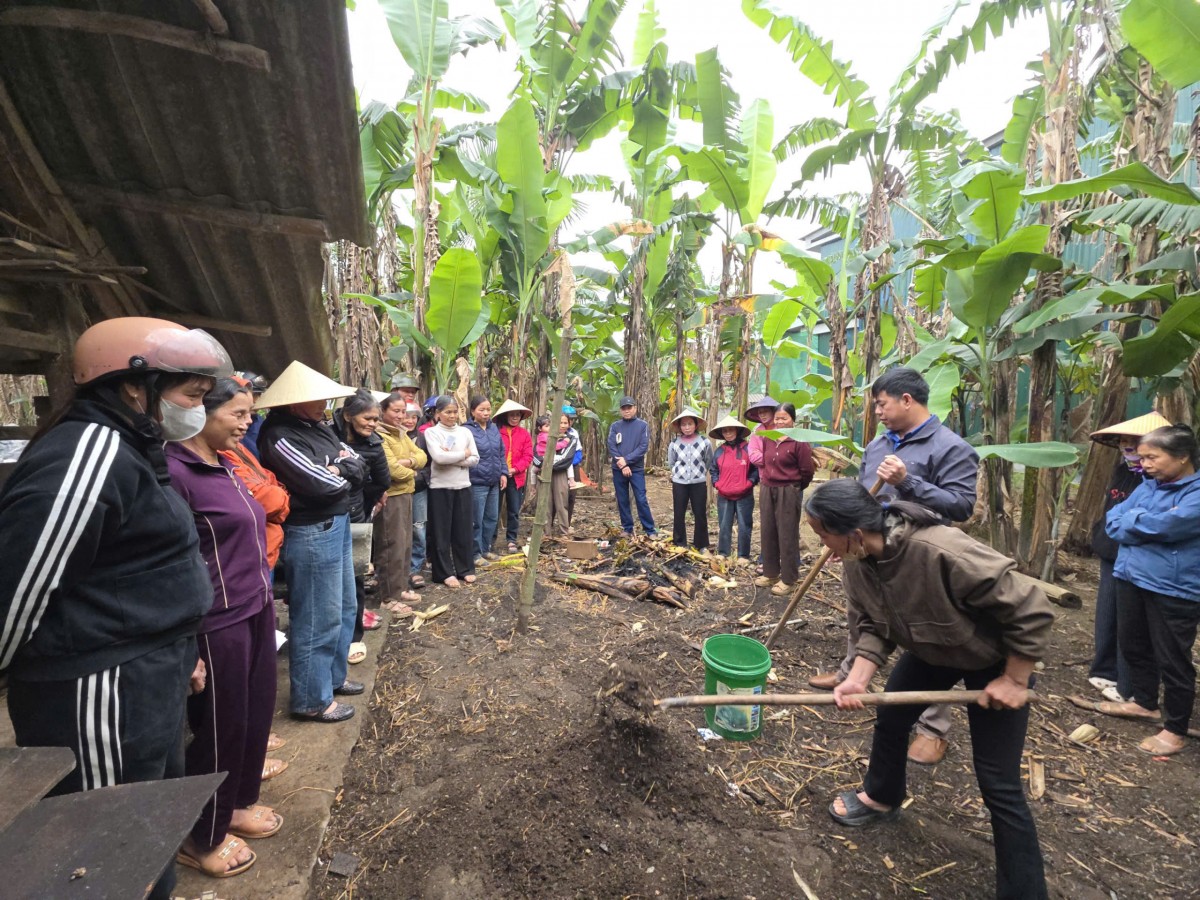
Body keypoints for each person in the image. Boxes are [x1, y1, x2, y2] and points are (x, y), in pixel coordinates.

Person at [0, 317, 237, 895]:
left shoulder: (138, 447)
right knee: (104, 848)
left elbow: (147, 568)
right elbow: (19, 590)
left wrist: (182, 652)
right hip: (98, 689)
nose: (196, 410)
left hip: (146, 674)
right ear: (136, 387)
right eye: (190, 396)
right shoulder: (88, 453)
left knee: (147, 831)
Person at [807, 479, 1053, 900]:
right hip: (931, 648)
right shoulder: (856, 559)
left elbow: (1031, 606)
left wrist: (1014, 678)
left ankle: (1025, 891)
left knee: (999, 781)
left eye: (822, 535)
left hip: (992, 657)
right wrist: (859, 678)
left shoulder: (941, 551)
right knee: (891, 716)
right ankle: (883, 796)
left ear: (853, 533)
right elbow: (874, 624)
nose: (822, 547)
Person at [809, 367, 979, 767]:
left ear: (907, 399)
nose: (878, 412)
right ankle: (851, 674)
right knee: (861, 616)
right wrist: (840, 536)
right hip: (863, 550)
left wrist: (908, 482)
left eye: (882, 404)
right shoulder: (877, 444)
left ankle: (932, 726)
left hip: (916, 561)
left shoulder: (951, 448)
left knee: (928, 639)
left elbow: (961, 506)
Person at [166, 378, 283, 878]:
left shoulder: (226, 463)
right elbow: (172, 561)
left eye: (249, 413)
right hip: (217, 619)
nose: (247, 423)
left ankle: (234, 803)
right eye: (236, 413)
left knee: (255, 712)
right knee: (220, 724)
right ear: (201, 412)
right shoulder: (175, 472)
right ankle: (201, 834)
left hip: (255, 604)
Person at [256, 361, 364, 724]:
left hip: (337, 521)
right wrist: (339, 469)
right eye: (315, 398)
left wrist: (339, 466)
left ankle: (331, 680)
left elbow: (357, 465)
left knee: (344, 607)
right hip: (313, 530)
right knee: (318, 615)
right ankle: (311, 698)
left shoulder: (318, 427)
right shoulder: (279, 435)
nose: (324, 404)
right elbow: (323, 484)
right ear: (293, 401)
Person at [1102, 424, 1200, 756]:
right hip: (1131, 577)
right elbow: (1113, 520)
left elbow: (1172, 526)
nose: (1144, 464)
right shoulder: (1149, 487)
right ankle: (1145, 702)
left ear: (1183, 456)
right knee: (1133, 644)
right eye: (1142, 457)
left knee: (1172, 657)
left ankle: (1175, 728)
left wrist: (1137, 521)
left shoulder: (1196, 493)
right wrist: (1142, 521)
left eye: (1152, 457)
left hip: (1172, 588)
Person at [1085, 412, 1170, 702]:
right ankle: (1104, 670)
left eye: (1134, 444)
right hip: (1111, 550)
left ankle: (1129, 683)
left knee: (1132, 622)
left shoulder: (1161, 480)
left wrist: (1125, 524)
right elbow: (1114, 511)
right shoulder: (1124, 470)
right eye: (1123, 443)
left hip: (1139, 556)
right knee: (1107, 613)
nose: (1128, 449)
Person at [332, 390, 392, 662]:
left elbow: (382, 482)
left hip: (356, 515)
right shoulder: (327, 435)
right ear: (348, 415)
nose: (372, 424)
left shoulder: (375, 444)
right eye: (367, 418)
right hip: (326, 515)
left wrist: (364, 503)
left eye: (376, 419)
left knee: (355, 577)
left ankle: (354, 636)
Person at [754, 403, 814, 596]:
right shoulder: (769, 438)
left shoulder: (799, 441)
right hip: (767, 488)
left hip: (788, 490)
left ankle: (789, 579)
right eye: (777, 418)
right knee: (768, 530)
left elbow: (807, 470)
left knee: (787, 533)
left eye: (784, 418)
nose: (780, 422)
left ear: (792, 420)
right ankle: (771, 573)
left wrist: (795, 488)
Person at [377, 395, 427, 615]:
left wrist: (408, 464)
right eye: (395, 411)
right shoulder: (380, 434)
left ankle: (400, 588)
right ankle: (388, 598)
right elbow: (391, 470)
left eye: (403, 412)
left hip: (406, 492)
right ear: (382, 410)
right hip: (391, 496)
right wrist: (412, 471)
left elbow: (422, 456)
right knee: (391, 546)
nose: (400, 416)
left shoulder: (400, 433)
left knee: (405, 544)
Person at [424, 396, 480, 587]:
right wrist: (462, 456)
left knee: (463, 530)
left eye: (455, 411)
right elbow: (438, 458)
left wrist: (453, 459)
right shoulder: (431, 433)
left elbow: (475, 458)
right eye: (447, 412)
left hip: (463, 486)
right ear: (437, 413)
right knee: (441, 532)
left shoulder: (465, 432)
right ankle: (443, 573)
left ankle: (465, 569)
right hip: (440, 487)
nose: (452, 415)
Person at [709, 414, 758, 564]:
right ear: (722, 434)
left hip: (745, 494)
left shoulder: (749, 448)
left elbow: (756, 469)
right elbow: (713, 470)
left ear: (737, 430)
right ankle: (724, 552)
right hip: (724, 495)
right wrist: (717, 484)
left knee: (744, 524)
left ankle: (743, 556)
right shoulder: (719, 451)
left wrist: (749, 482)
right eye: (725, 431)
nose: (728, 433)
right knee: (724, 524)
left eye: (731, 430)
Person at [607, 396, 657, 537]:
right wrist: (622, 465)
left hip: (636, 468)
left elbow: (643, 447)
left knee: (641, 498)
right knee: (622, 499)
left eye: (629, 408)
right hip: (618, 468)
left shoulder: (642, 426)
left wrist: (627, 461)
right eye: (624, 408)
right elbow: (611, 445)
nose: (627, 411)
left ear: (635, 408)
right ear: (620, 410)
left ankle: (650, 529)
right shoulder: (615, 426)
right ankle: (627, 528)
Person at [465, 395, 506, 562]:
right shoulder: (466, 430)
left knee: (491, 518)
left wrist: (503, 472)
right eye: (481, 409)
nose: (486, 412)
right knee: (476, 520)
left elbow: (501, 452)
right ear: (473, 411)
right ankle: (474, 554)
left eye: (488, 409)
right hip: (477, 481)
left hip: (494, 481)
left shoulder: (493, 428)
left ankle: (485, 549)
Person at [667, 409, 712, 552]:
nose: (687, 427)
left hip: (698, 482)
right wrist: (677, 474)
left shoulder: (705, 442)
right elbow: (672, 463)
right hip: (679, 483)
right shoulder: (674, 443)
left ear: (696, 425)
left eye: (690, 424)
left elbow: (708, 461)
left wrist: (700, 473)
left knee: (699, 513)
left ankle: (701, 544)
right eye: (684, 424)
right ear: (679, 427)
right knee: (679, 512)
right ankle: (680, 542)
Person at [496, 399, 534, 553]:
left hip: (517, 477)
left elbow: (528, 456)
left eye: (517, 414)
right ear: (505, 416)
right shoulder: (496, 432)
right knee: (493, 510)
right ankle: (490, 539)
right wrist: (502, 470)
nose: (515, 417)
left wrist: (515, 469)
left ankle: (511, 539)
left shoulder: (524, 434)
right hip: (497, 476)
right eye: (512, 414)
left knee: (514, 510)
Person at [533, 413, 579, 537]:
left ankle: (564, 531)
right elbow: (536, 456)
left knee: (561, 502)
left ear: (569, 424)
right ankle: (545, 533)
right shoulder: (543, 437)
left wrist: (546, 464)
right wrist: (546, 462)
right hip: (544, 473)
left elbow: (566, 459)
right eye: (560, 422)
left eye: (565, 423)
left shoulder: (570, 438)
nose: (563, 425)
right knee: (544, 503)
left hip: (559, 473)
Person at [407, 402, 432, 586]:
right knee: (396, 530)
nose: (410, 421)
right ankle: (393, 569)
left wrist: (420, 477)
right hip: (395, 491)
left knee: (418, 527)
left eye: (414, 417)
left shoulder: (423, 438)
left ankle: (415, 568)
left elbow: (430, 465)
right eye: (406, 416)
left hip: (419, 489)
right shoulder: (387, 437)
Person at [236, 370, 271, 460]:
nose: (256, 400)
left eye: (259, 394)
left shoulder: (258, 420)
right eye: (254, 394)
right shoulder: (228, 425)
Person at [563, 404, 584, 525]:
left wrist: (570, 463)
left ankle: (567, 523)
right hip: (558, 467)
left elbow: (578, 452)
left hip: (572, 465)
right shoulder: (552, 431)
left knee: (571, 496)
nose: (570, 422)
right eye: (567, 419)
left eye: (571, 419)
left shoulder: (574, 433)